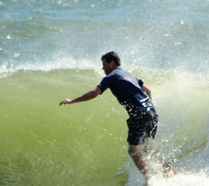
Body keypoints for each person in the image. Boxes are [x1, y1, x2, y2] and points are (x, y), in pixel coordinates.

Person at [60, 51, 166, 179]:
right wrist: (148, 109)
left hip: (140, 114)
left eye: (104, 64)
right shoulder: (129, 75)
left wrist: (72, 100)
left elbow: (94, 93)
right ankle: (166, 167)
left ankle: (150, 180)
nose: (103, 68)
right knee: (143, 146)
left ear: (112, 63)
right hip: (151, 112)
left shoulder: (111, 77)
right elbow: (148, 90)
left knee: (133, 150)